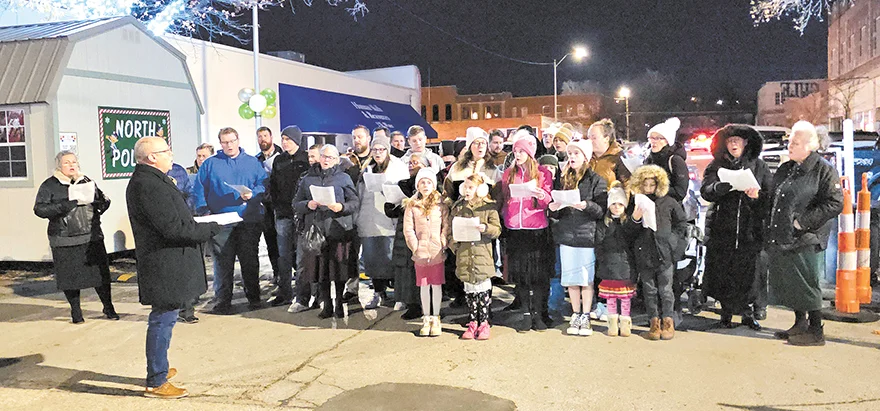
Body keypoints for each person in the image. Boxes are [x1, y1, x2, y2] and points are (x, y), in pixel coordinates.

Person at [126, 137, 221, 399]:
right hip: (163, 262)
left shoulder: (154, 180)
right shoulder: (148, 185)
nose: (171, 155)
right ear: (151, 157)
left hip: (168, 261)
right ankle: (156, 381)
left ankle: (160, 369)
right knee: (162, 319)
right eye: (166, 151)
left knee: (166, 318)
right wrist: (209, 228)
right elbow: (173, 228)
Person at [767, 121, 843, 346]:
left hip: (808, 237)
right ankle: (800, 324)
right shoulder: (787, 168)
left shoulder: (823, 169)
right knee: (793, 283)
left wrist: (802, 223)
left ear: (810, 145)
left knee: (808, 283)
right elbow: (776, 196)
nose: (789, 146)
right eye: (790, 142)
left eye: (795, 143)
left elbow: (835, 203)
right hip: (786, 236)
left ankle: (816, 330)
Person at [700, 125, 773, 330]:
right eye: (730, 141)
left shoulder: (759, 167)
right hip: (723, 229)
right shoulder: (716, 165)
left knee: (748, 272)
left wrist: (757, 196)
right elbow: (705, 190)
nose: (733, 145)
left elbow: (770, 195)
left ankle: (748, 313)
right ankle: (726, 313)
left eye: (737, 141)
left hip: (750, 229)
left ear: (746, 143)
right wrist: (717, 188)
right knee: (724, 270)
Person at [34, 151, 117, 324]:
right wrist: (63, 206)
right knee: (70, 278)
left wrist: (100, 204)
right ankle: (76, 311)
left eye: (74, 162)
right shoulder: (50, 185)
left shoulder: (87, 181)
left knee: (100, 275)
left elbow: (104, 200)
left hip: (91, 236)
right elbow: (39, 209)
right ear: (59, 166)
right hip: (64, 238)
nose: (71, 165)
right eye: (66, 163)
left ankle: (108, 307)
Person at [192, 127, 266, 314]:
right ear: (220, 144)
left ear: (238, 140)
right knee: (222, 262)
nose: (229, 145)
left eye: (232, 141)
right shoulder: (210, 164)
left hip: (248, 219)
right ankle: (223, 301)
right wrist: (205, 211)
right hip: (221, 221)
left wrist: (254, 193)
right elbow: (199, 189)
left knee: (249, 261)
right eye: (225, 142)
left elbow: (263, 184)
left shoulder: (252, 163)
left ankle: (254, 298)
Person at [293, 145, 360, 319]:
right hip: (317, 231)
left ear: (337, 160)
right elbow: (296, 203)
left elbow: (354, 202)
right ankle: (326, 305)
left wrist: (341, 207)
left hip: (338, 230)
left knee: (338, 270)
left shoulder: (343, 178)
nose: (326, 160)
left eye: (330, 157)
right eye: (323, 156)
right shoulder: (308, 178)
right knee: (321, 271)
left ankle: (339, 303)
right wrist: (308, 205)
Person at [548, 140, 607, 336]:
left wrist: (586, 205)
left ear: (585, 157)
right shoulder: (563, 178)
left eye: (576, 153)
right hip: (566, 235)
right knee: (571, 278)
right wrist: (553, 209)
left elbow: (601, 210)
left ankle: (586, 315)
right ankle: (575, 313)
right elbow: (556, 209)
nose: (571, 157)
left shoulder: (596, 180)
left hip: (586, 235)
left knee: (586, 279)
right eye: (570, 153)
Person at [499, 132, 554, 332]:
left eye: (522, 151)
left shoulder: (542, 173)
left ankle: (539, 314)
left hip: (536, 230)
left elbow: (548, 201)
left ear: (530, 153)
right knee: (521, 275)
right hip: (516, 230)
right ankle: (525, 314)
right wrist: (507, 218)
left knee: (538, 275)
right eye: (516, 151)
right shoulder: (508, 174)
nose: (518, 154)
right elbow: (505, 199)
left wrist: (541, 195)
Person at [442, 127, 502, 307]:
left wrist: (492, 214)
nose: (480, 146)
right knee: (462, 259)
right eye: (476, 143)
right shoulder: (457, 168)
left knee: (483, 262)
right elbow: (449, 192)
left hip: (482, 223)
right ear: (469, 146)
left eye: (483, 142)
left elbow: (499, 195)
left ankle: (484, 304)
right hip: (461, 219)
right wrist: (451, 210)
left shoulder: (492, 170)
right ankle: (463, 298)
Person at [628, 164, 688, 341]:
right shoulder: (636, 202)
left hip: (665, 252)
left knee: (666, 289)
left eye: (651, 185)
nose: (648, 189)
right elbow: (628, 231)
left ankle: (668, 321)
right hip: (644, 252)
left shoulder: (669, 202)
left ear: (658, 184)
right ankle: (653, 322)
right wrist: (635, 219)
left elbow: (681, 224)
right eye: (644, 185)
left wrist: (674, 242)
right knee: (649, 289)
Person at [586, 118, 631, 321]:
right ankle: (596, 302)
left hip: (610, 217)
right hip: (589, 214)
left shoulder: (617, 158)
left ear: (606, 138)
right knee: (593, 261)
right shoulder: (587, 157)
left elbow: (628, 184)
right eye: (588, 137)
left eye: (593, 137)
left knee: (609, 260)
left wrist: (621, 210)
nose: (590, 141)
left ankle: (611, 303)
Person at [357, 136, 409, 308]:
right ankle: (379, 293)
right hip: (370, 217)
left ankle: (399, 295)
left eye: (381, 149)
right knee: (373, 258)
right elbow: (360, 192)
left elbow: (404, 190)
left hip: (389, 218)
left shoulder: (397, 167)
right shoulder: (367, 168)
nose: (378, 153)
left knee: (391, 257)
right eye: (375, 149)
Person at [449, 174, 502, 340]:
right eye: (465, 187)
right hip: (464, 254)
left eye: (471, 187)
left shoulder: (488, 207)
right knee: (470, 289)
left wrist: (484, 227)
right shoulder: (458, 207)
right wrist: (454, 244)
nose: (467, 190)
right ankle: (472, 321)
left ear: (480, 189)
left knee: (482, 289)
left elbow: (497, 230)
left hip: (482, 253)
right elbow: (450, 232)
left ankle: (484, 322)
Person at [267, 126, 311, 309]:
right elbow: (273, 186)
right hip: (284, 214)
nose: (285, 142)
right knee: (283, 256)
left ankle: (303, 296)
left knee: (302, 258)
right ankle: (284, 292)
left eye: (288, 139)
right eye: (283, 138)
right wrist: (275, 204)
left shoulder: (306, 159)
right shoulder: (279, 160)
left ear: (297, 140)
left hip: (302, 216)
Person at [404, 168, 450, 336]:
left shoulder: (441, 205)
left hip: (437, 251)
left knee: (436, 285)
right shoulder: (412, 206)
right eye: (422, 182)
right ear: (417, 185)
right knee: (424, 285)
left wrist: (443, 241)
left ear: (434, 185)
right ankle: (426, 316)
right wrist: (415, 246)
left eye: (428, 182)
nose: (425, 185)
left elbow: (446, 225)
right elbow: (408, 229)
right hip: (421, 253)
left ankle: (436, 317)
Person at [596, 182, 637, 337]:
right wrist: (602, 260)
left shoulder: (628, 223)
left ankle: (625, 322)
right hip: (608, 266)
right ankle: (612, 322)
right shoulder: (604, 224)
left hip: (626, 267)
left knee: (625, 298)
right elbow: (598, 244)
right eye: (613, 204)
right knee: (611, 298)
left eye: (620, 204)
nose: (617, 207)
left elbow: (632, 242)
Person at [166, 162, 200, 324]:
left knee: (185, 265)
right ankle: (173, 307)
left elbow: (190, 193)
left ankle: (187, 310)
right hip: (165, 225)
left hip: (183, 222)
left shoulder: (178, 170)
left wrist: (186, 210)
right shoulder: (149, 178)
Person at [257, 127, 282, 289]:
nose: (262, 139)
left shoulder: (282, 156)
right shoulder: (257, 159)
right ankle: (277, 273)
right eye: (259, 137)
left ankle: (288, 272)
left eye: (265, 136)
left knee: (284, 241)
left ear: (271, 137)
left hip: (279, 205)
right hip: (265, 206)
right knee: (270, 240)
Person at [644, 117, 689, 203]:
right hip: (651, 210)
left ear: (667, 141)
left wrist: (656, 189)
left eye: (657, 138)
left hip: (671, 212)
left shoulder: (675, 160)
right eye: (651, 138)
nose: (653, 141)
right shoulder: (648, 159)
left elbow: (680, 192)